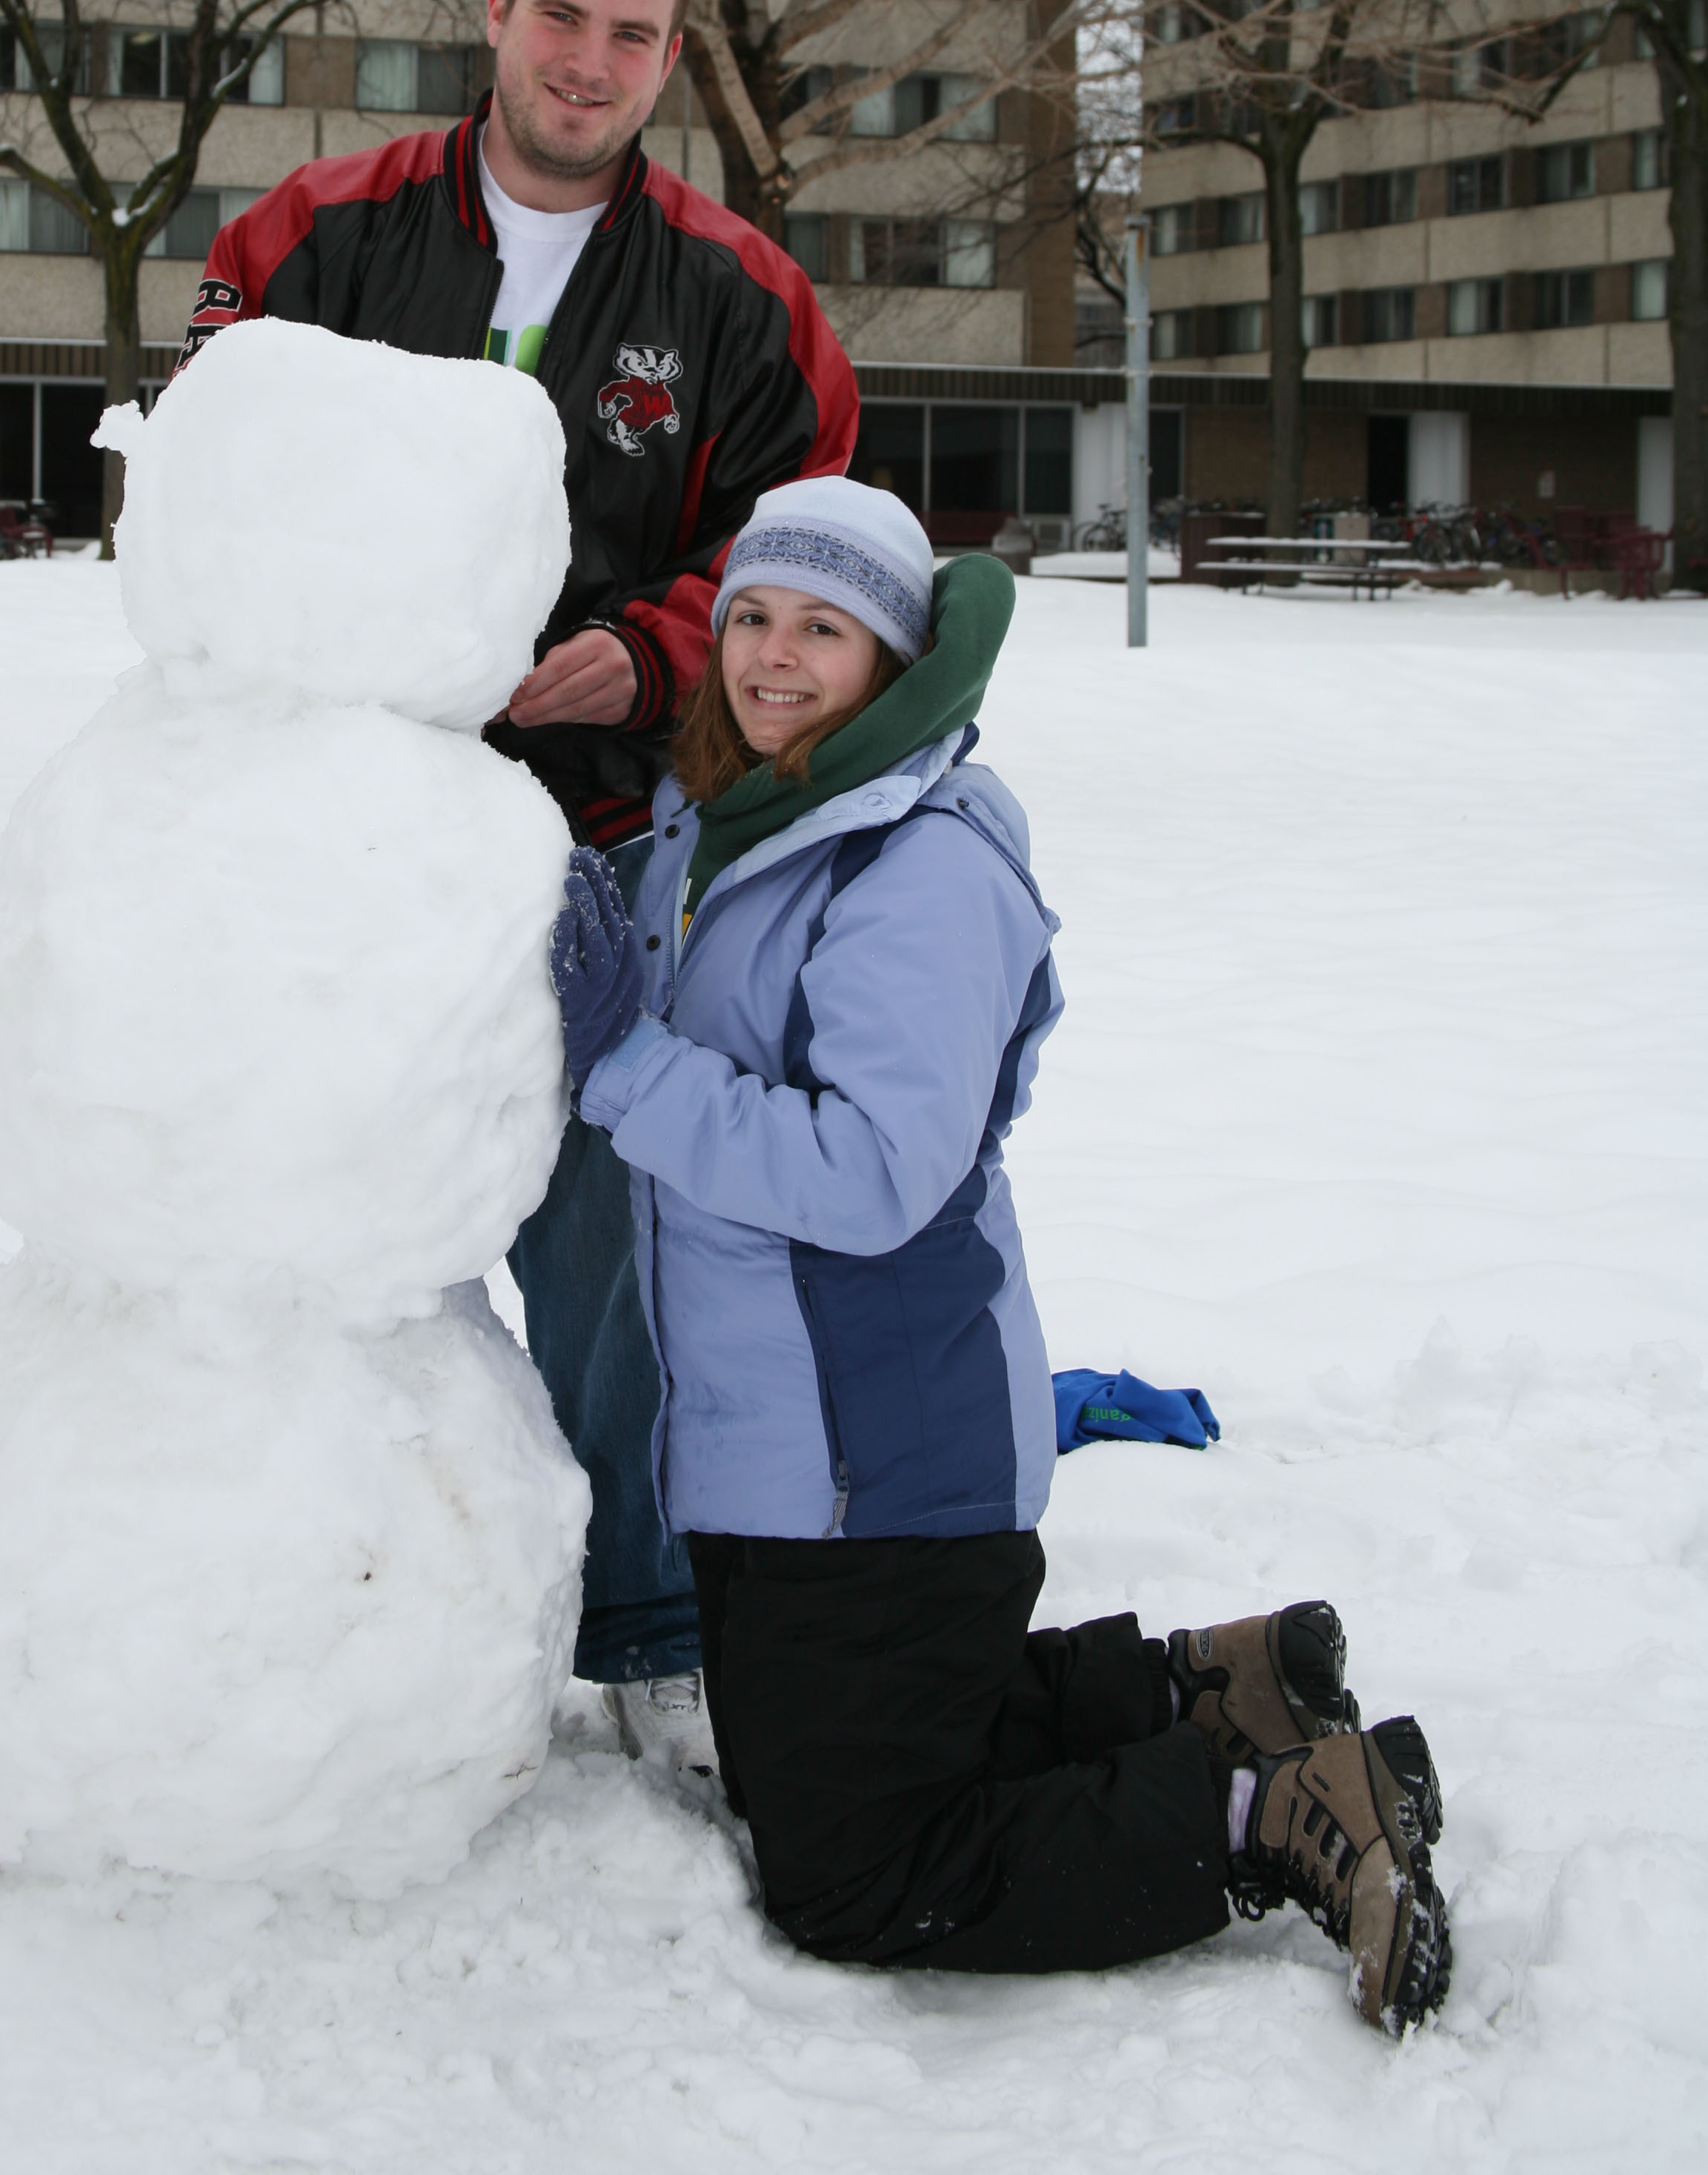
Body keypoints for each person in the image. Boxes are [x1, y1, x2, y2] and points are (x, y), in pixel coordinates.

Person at [547, 477, 1452, 2034]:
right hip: (772, 1448)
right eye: (752, 618)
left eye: (821, 630)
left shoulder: (917, 868)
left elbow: (871, 1175)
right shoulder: (731, 816)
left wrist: (621, 1063)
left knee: (858, 1876)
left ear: (893, 659)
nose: (771, 658)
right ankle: (1212, 1686)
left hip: (876, 1451)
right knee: (804, 1768)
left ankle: (1283, 1808)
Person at [179, 0, 860, 1762]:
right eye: (563, 17)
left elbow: (791, 568)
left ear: (669, 59)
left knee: (598, 1233)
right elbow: (198, 487)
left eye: (633, 35)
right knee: (305, 1213)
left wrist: (644, 664)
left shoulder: (745, 299)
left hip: (595, 845)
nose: (591, 63)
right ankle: (296, 1589)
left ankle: (639, 1626)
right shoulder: (309, 236)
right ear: (495, 11)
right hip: (329, 840)